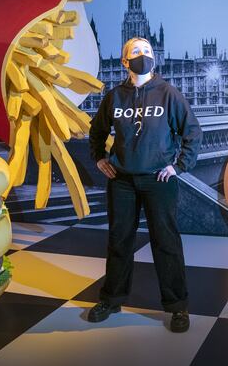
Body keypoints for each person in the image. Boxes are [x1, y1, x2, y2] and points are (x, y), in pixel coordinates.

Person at [87, 36, 202, 333]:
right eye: (136, 52)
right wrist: (99, 157)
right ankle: (112, 299)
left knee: (166, 243)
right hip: (122, 180)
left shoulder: (168, 93)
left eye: (148, 51)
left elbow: (192, 132)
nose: (143, 55)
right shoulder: (114, 96)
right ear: (125, 61)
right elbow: (96, 130)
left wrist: (178, 167)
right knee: (119, 240)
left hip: (158, 180)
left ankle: (178, 306)